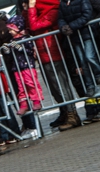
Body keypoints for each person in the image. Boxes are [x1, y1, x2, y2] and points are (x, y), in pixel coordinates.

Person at [24, 0, 81, 130]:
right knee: (54, 89)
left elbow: (34, 26)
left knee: (61, 86)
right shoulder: (39, 12)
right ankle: (65, 113)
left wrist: (31, 8)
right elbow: (28, 26)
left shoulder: (52, 11)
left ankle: (72, 115)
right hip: (43, 54)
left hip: (53, 53)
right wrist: (27, 10)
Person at [2, 15, 45, 114]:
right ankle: (23, 104)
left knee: (31, 83)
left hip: (27, 65)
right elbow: (11, 54)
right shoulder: (12, 40)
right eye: (9, 30)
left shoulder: (27, 38)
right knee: (20, 86)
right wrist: (7, 50)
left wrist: (19, 48)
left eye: (11, 29)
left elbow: (30, 52)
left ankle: (36, 101)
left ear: (18, 27)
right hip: (17, 67)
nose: (10, 32)